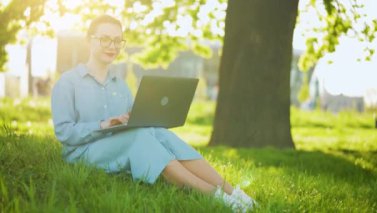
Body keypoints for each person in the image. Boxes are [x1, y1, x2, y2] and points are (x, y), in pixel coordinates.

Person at [51, 14, 256, 212]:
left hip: (118, 146)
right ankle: (215, 196)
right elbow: (64, 132)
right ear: (89, 40)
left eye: (117, 41)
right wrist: (103, 124)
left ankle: (233, 193)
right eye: (104, 39)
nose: (112, 46)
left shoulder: (121, 86)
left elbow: (130, 124)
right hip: (82, 153)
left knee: (158, 132)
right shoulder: (68, 82)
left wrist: (141, 118)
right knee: (139, 137)